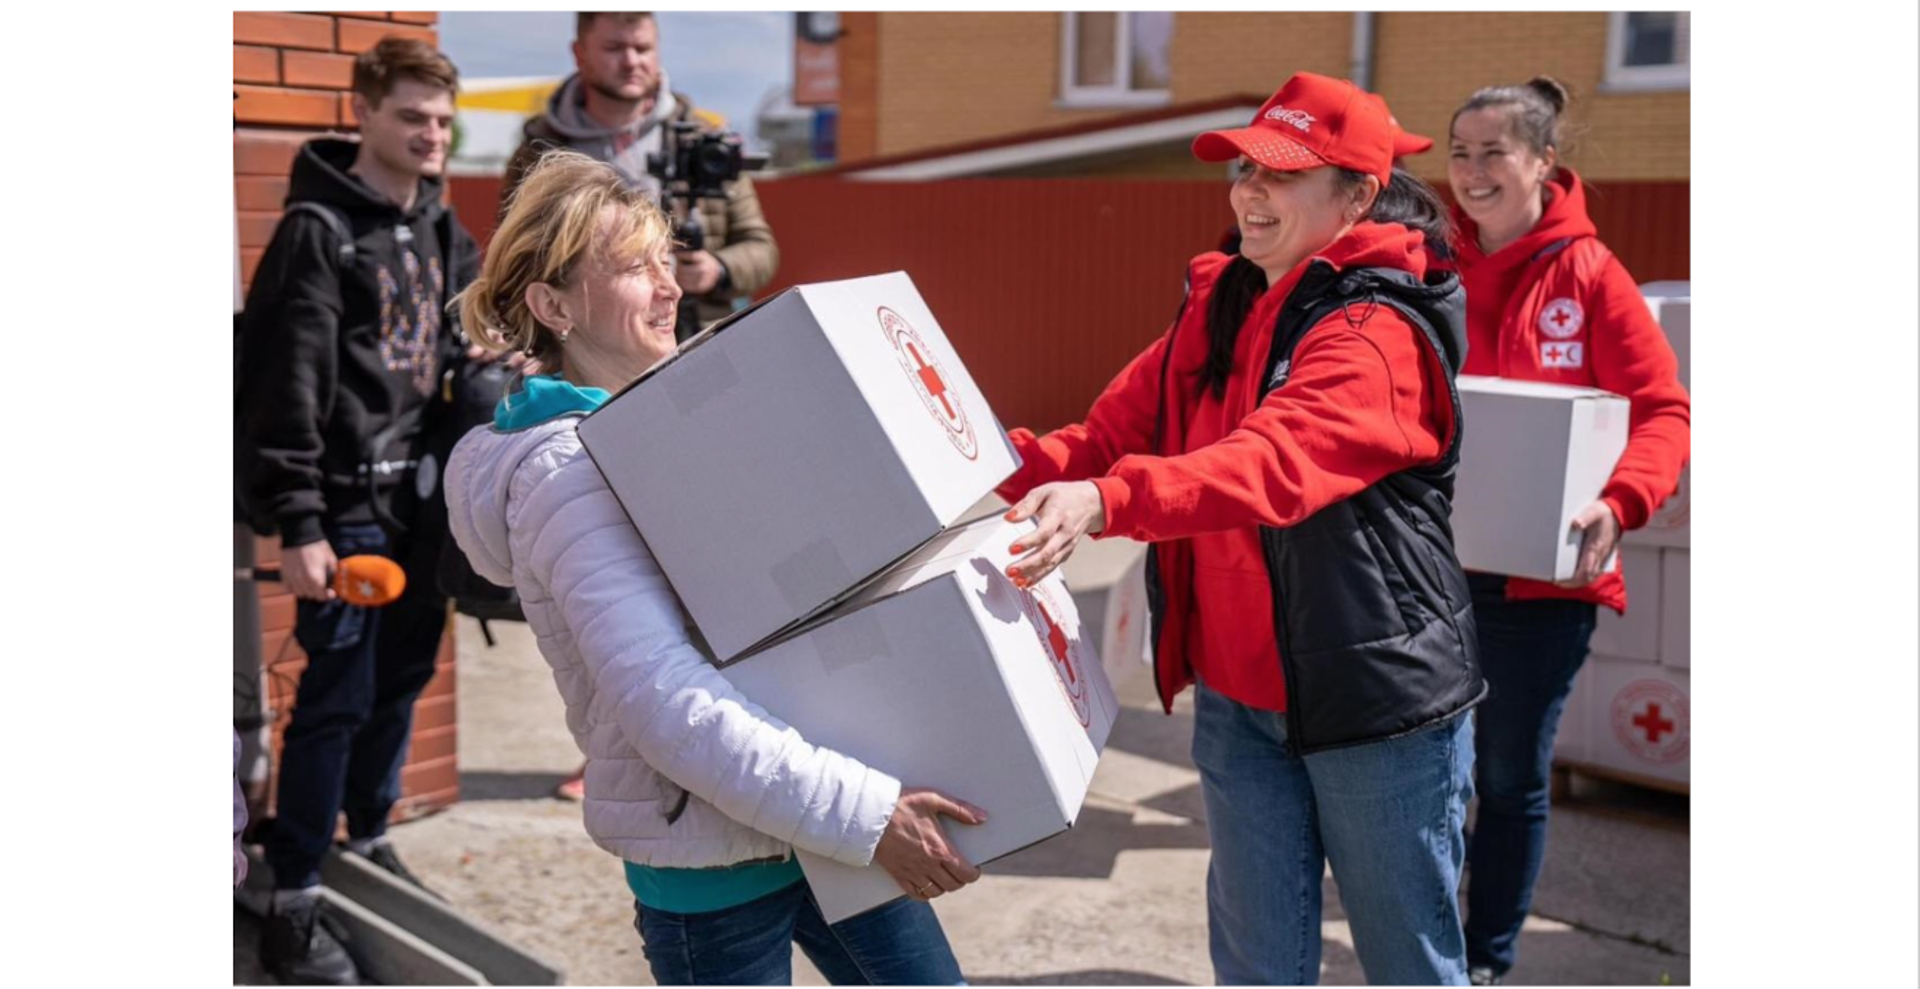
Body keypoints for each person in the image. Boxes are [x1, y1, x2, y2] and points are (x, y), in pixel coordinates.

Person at [442, 150, 978, 986]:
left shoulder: (669, 426)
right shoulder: (570, 475)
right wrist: (867, 816)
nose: (669, 288)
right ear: (552, 305)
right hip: (717, 869)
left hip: (808, 815)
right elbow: (665, 700)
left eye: (666, 262)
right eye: (631, 268)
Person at [997, 72, 1483, 985]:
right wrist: (961, 457)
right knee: (1258, 963)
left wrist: (1108, 500)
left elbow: (1274, 460)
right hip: (1238, 701)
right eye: (1244, 169)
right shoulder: (1221, 301)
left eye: (1283, 174)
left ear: (1359, 195)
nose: (1250, 193)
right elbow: (1104, 437)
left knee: (1407, 961)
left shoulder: (1377, 330)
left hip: (1373, 705)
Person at [236, 36, 481, 986]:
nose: (430, 135)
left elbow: (456, 351)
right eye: (412, 117)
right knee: (333, 702)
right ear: (365, 113)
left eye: (442, 121)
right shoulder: (318, 229)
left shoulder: (441, 226)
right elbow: (281, 388)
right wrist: (299, 522)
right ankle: (293, 893)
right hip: (346, 518)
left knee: (400, 685)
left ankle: (371, 845)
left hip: (422, 513)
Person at [1444, 77, 1690, 986]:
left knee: (1507, 778)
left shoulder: (1593, 276)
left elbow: (1665, 409)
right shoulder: (1431, 266)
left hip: (1543, 590)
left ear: (1545, 161)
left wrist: (1620, 501)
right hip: (1433, 575)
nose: (1470, 172)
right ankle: (1427, 944)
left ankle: (1484, 960)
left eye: (1493, 152)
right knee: (1436, 776)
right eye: (1458, 152)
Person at [501, 10, 779, 332]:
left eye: (643, 48)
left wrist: (718, 269)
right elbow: (513, 259)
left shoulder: (705, 143)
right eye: (614, 48)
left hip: (693, 336)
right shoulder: (540, 151)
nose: (631, 61)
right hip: (582, 341)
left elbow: (761, 247)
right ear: (579, 53)